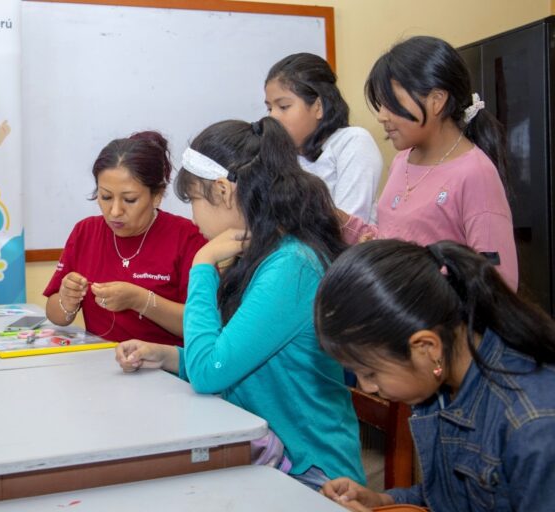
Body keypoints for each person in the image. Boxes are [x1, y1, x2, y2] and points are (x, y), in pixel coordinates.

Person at [115, 117, 365, 490]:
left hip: (312, 475)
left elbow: (210, 373)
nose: (193, 215)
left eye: (195, 201)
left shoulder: (292, 266)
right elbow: (233, 361)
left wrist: (202, 266)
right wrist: (169, 357)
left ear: (222, 192)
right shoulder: (264, 251)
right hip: (269, 454)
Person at [315, 239, 555, 512]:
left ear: (426, 347)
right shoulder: (445, 383)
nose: (366, 387)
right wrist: (384, 501)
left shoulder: (534, 424)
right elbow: (454, 498)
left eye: (370, 372)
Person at [341, 35, 518, 289]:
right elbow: (395, 239)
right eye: (380, 104)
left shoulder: (475, 174)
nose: (381, 116)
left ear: (437, 100)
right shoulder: (403, 160)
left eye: (391, 103)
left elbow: (499, 283)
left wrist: (411, 273)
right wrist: (341, 222)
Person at [43, 131, 207, 346]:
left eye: (129, 199)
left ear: (157, 195)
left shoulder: (188, 238)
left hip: (165, 371)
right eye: (106, 197)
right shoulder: (85, 232)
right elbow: (56, 316)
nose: (115, 211)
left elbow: (200, 326)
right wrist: (67, 300)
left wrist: (140, 300)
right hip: (99, 365)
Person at [265, 53, 382, 222]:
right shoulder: (280, 154)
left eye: (283, 106)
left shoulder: (352, 142)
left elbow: (350, 226)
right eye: (269, 108)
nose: (273, 116)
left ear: (318, 106)